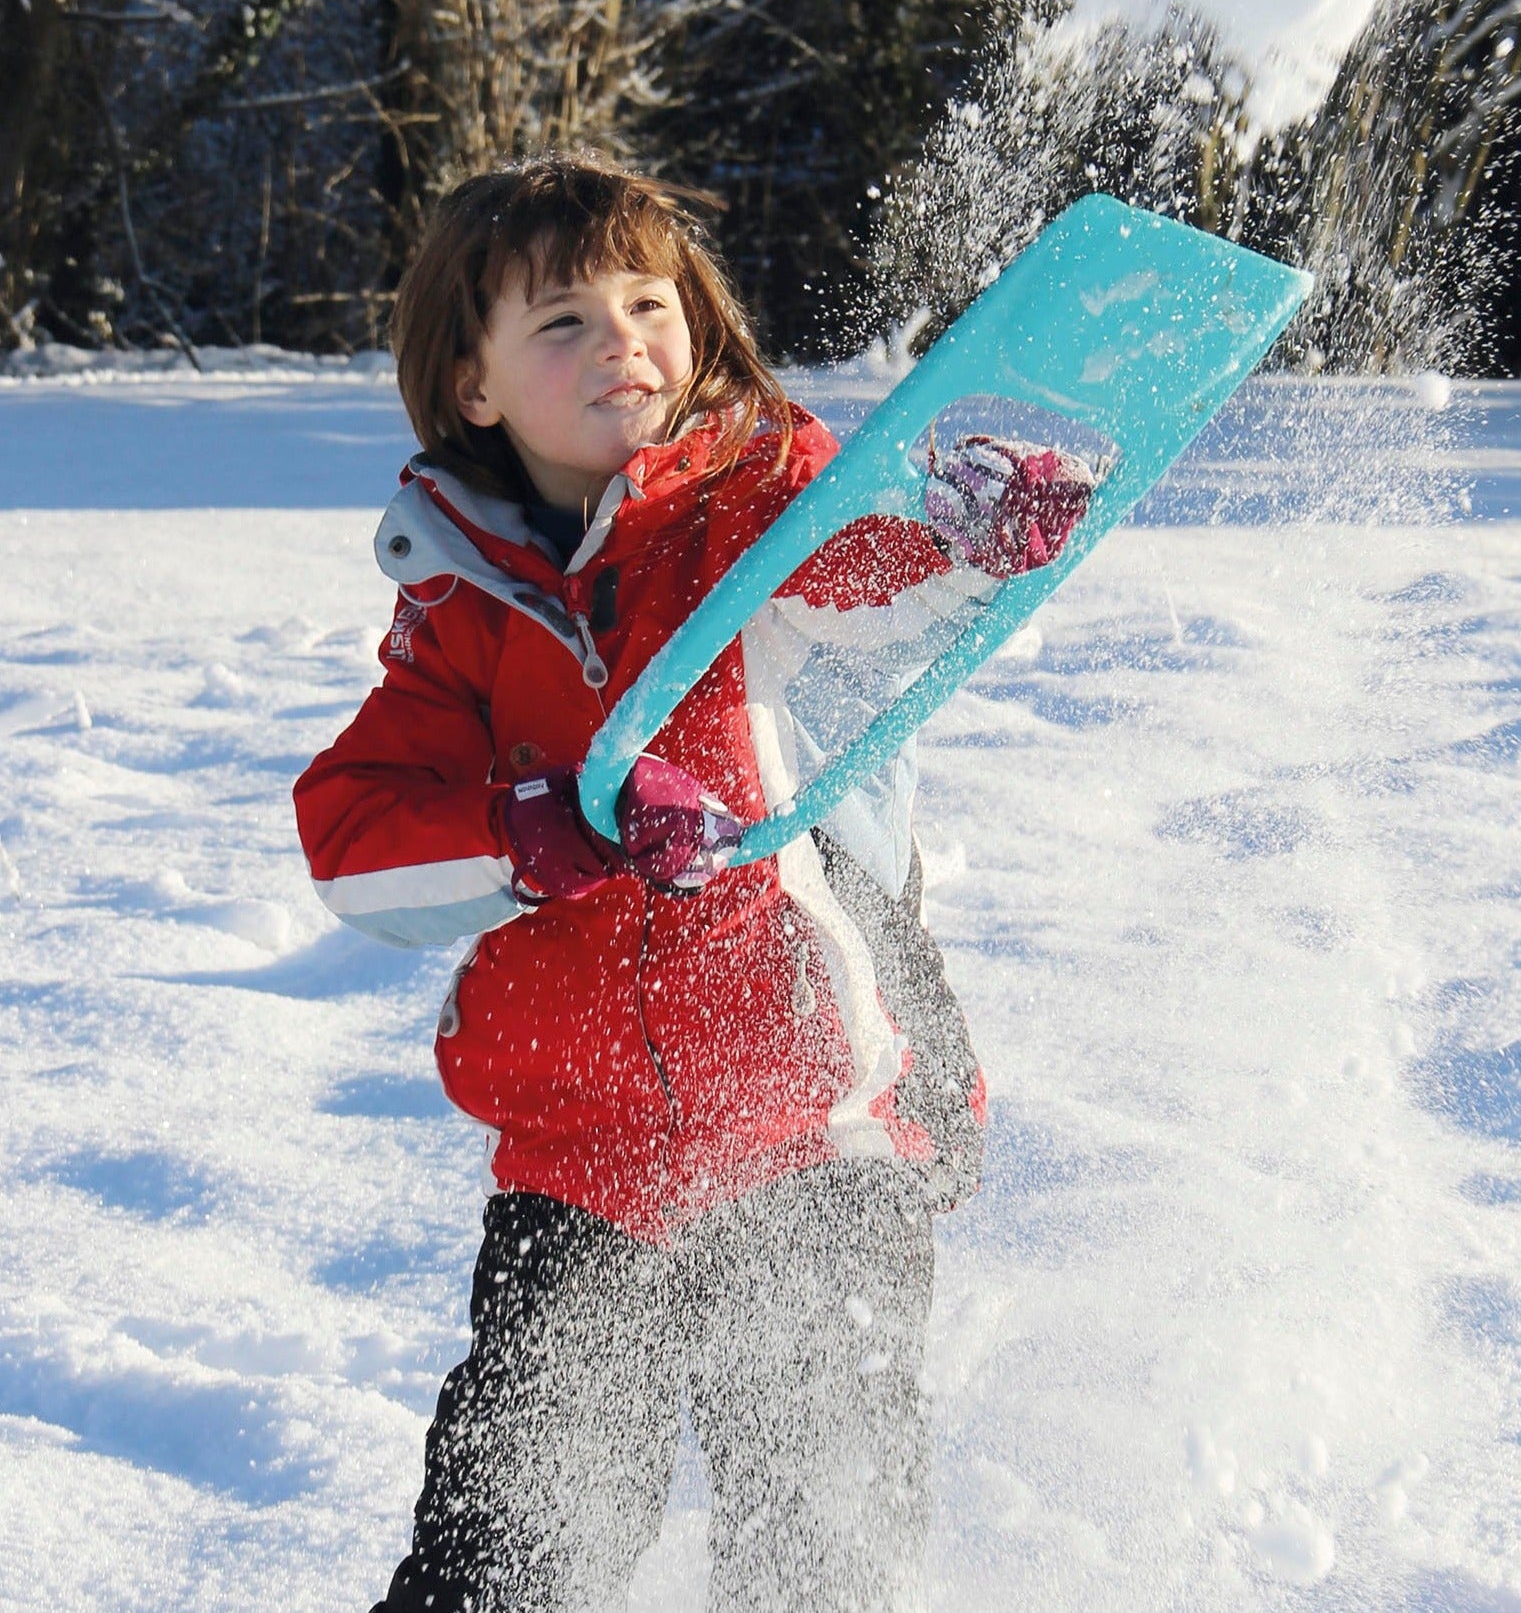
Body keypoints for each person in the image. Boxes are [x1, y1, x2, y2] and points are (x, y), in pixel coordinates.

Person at [293, 157, 1095, 1613]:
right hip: (580, 1165)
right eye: (563, 322)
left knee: (817, 1547)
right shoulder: (462, 615)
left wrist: (974, 539)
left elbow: (867, 566)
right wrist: (538, 827)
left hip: (813, 1135)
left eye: (648, 302)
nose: (623, 341)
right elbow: (357, 842)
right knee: (505, 1558)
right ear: (473, 388)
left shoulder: (753, 501)